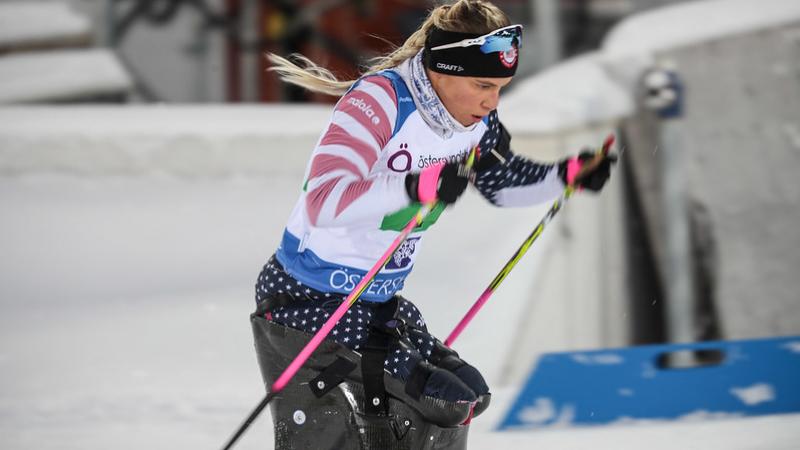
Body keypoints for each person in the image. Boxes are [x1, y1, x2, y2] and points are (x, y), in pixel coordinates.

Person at [252, 0, 614, 444]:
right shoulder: (379, 102)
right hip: (307, 299)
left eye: (501, 87)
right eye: (483, 85)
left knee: (468, 396)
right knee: (442, 401)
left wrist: (567, 176)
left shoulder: (474, 121)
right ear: (442, 70)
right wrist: (416, 187)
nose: (491, 100)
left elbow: (502, 185)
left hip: (376, 301)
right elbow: (323, 202)